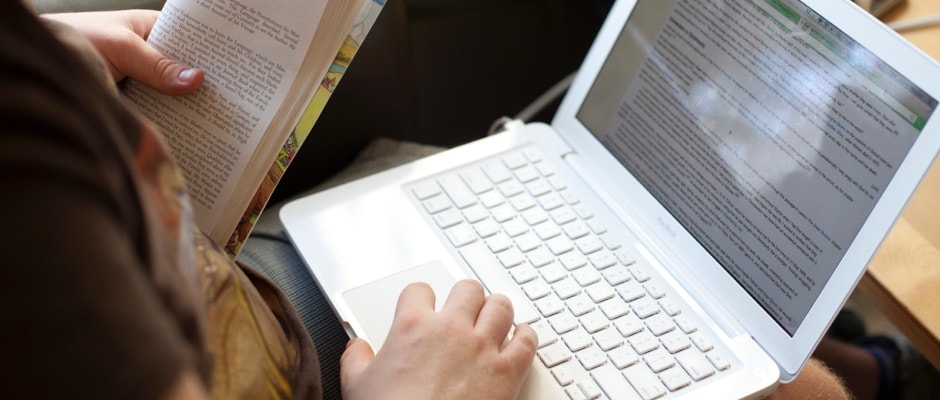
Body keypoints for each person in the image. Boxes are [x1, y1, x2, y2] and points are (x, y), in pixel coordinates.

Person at [1, 2, 850, 399]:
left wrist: (49, 46)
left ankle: (840, 357)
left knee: (432, 173)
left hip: (233, 299)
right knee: (791, 390)